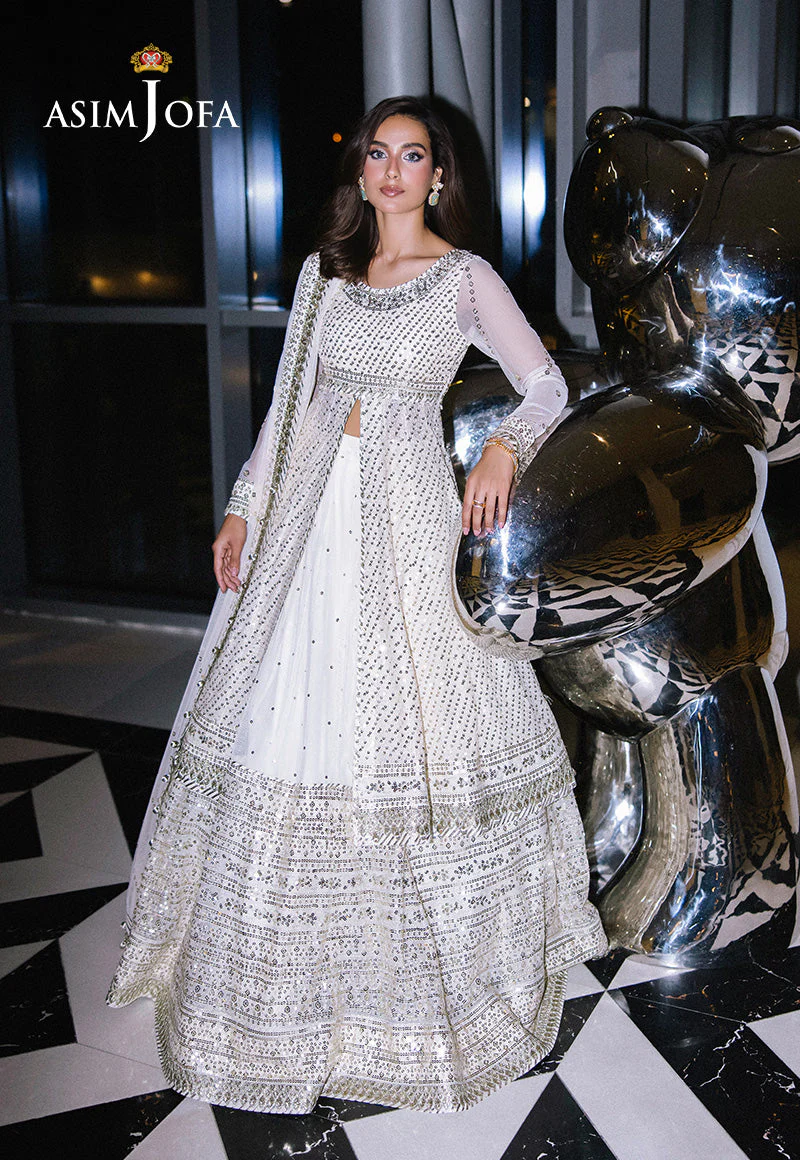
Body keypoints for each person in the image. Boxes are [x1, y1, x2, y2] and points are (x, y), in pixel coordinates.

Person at [107, 95, 606, 1115]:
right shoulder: (324, 278)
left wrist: (503, 448)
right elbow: (287, 409)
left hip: (407, 522)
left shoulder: (463, 279)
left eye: (411, 156)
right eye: (377, 153)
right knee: (281, 718)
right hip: (305, 521)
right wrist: (243, 507)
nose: (391, 170)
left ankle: (419, 978)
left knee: (410, 724)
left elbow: (546, 385)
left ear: (438, 175)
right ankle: (265, 978)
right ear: (362, 171)